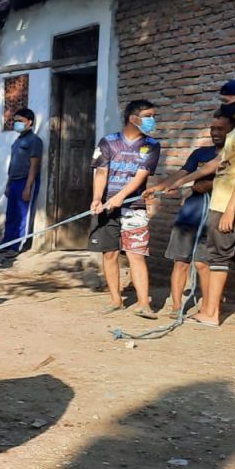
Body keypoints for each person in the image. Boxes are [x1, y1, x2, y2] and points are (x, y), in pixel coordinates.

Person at [154, 80, 235, 327]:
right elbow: (216, 164)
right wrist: (181, 183)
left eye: (225, 101)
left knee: (218, 258)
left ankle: (210, 313)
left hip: (230, 205)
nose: (222, 106)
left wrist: (230, 211)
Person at [146, 113, 233, 316]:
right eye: (213, 128)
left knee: (204, 264)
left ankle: (207, 308)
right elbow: (182, 174)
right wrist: (159, 186)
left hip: (215, 215)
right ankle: (176, 308)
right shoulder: (200, 154)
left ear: (232, 131)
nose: (215, 133)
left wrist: (210, 184)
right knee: (180, 262)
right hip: (190, 213)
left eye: (221, 129)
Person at [89, 99, 161, 319]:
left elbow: (141, 176)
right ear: (133, 118)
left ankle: (143, 304)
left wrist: (121, 196)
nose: (152, 120)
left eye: (152, 116)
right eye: (148, 115)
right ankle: (115, 300)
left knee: (136, 254)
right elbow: (101, 172)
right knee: (109, 253)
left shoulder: (151, 145)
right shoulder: (108, 142)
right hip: (106, 208)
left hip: (135, 207)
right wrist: (96, 199)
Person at [3, 107, 43, 256]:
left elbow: (34, 165)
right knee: (10, 214)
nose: (16, 124)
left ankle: (17, 246)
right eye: (15, 121)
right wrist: (8, 184)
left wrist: (28, 187)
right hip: (14, 180)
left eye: (20, 121)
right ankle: (6, 242)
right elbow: (12, 164)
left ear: (29, 122)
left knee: (22, 215)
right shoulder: (17, 141)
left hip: (25, 181)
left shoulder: (35, 141)